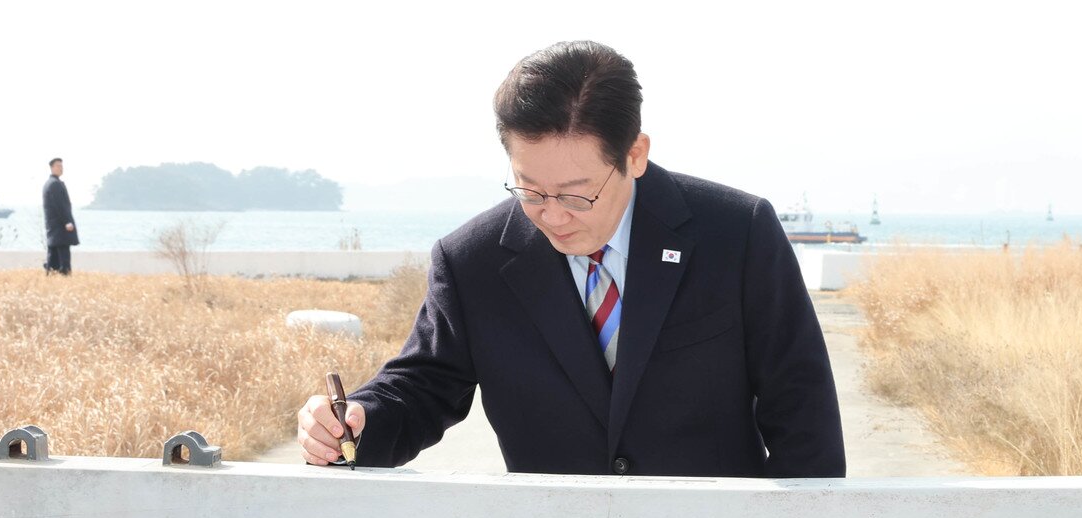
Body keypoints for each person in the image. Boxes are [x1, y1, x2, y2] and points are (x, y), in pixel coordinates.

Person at [297, 41, 846, 478]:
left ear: (635, 154)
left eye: (577, 194)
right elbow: (421, 387)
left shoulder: (738, 233)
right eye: (530, 191)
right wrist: (353, 425)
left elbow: (801, 406)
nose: (552, 216)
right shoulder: (473, 260)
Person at [42, 158, 79, 275]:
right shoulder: (55, 184)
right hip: (60, 227)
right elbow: (60, 206)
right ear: (52, 168)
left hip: (53, 228)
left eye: (61, 166)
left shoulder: (49, 184)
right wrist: (67, 222)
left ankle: (50, 277)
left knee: (53, 257)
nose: (60, 168)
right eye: (58, 166)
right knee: (63, 258)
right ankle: (65, 277)